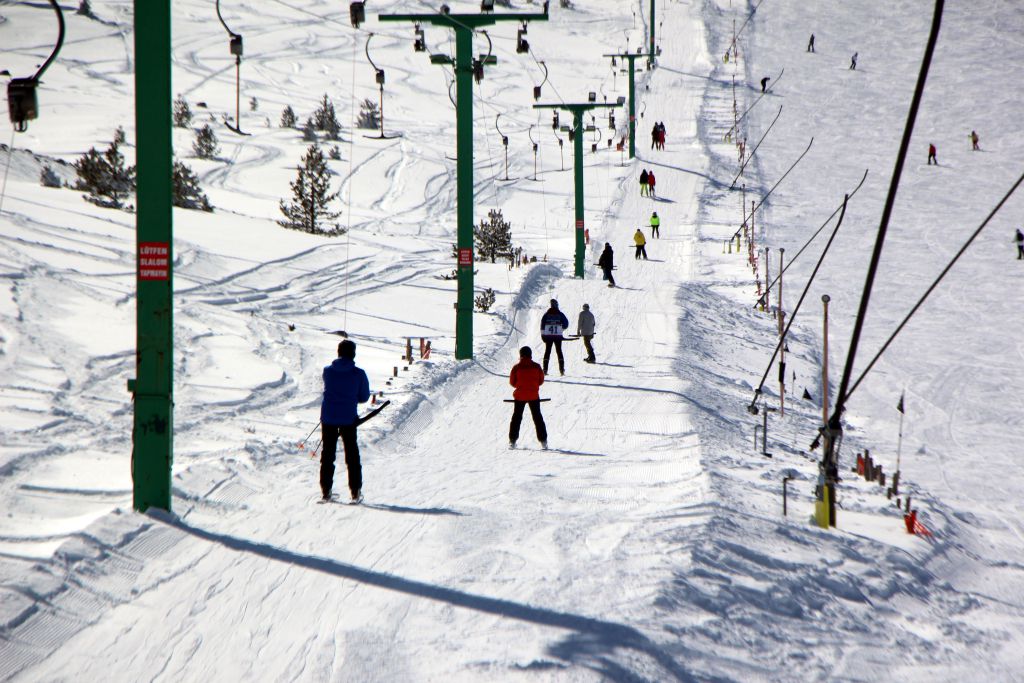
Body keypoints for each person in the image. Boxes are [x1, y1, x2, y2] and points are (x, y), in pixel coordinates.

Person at [319, 339, 371, 503]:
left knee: (328, 454)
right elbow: (363, 397)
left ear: (338, 352)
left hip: (328, 418)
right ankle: (355, 492)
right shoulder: (358, 373)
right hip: (348, 419)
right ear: (353, 354)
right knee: (352, 455)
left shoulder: (327, 371)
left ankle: (326, 491)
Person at [509, 346, 547, 449]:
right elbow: (541, 381)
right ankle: (543, 441)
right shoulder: (537, 366)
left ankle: (512, 441)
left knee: (516, 418)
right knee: (537, 417)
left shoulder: (516, 367)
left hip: (520, 396)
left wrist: (520, 386)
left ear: (521, 355)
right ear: (530, 355)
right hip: (533, 395)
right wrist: (533, 386)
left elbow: (512, 382)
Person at [540, 299, 569, 376]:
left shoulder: (546, 315)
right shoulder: (560, 314)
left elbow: (542, 326)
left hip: (548, 336)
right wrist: (561, 329)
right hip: (558, 336)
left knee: (547, 352)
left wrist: (543, 335)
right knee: (559, 351)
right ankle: (562, 370)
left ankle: (545, 370)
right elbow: (566, 324)